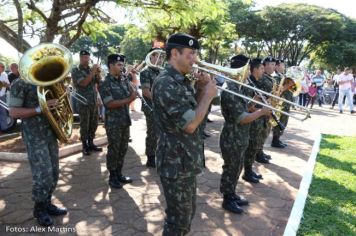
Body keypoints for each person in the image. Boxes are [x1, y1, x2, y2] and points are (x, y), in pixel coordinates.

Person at [152, 33, 217, 235]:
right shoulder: (166, 83)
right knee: (177, 221)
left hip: (184, 161)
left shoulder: (180, 80)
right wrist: (208, 96)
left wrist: (200, 89)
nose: (194, 59)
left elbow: (190, 113)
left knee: (186, 215)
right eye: (190, 54)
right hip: (175, 163)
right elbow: (190, 125)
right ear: (174, 53)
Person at [8, 74, 67, 227]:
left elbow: (58, 104)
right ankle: (39, 209)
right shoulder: (19, 84)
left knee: (54, 173)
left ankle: (47, 203)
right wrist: (41, 108)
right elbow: (13, 112)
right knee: (43, 174)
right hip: (34, 135)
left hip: (50, 132)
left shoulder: (48, 80)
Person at [220, 56, 271, 214]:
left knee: (237, 167)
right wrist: (261, 111)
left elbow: (244, 110)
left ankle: (232, 194)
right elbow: (242, 118)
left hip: (241, 136)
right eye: (247, 68)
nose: (248, 72)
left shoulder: (239, 87)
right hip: (232, 137)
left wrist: (252, 104)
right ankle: (227, 199)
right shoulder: (230, 88)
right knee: (231, 168)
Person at [98, 54, 137, 189]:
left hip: (125, 120)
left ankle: (119, 173)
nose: (122, 67)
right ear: (111, 66)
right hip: (114, 122)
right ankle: (112, 176)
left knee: (123, 148)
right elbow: (109, 103)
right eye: (119, 65)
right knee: (114, 149)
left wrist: (132, 88)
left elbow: (131, 93)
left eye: (122, 65)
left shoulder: (123, 80)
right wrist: (129, 99)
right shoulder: (104, 83)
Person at [243, 58, 270, 183]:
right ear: (254, 69)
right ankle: (247, 171)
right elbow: (246, 107)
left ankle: (249, 170)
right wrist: (261, 111)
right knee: (251, 146)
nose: (263, 71)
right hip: (253, 120)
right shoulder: (249, 84)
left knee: (255, 146)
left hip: (259, 118)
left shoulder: (256, 83)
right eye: (261, 68)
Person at [71, 50, 103, 155]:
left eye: (88, 57)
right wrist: (93, 72)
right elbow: (83, 83)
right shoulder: (76, 70)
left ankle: (91, 143)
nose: (87, 59)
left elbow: (99, 82)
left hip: (93, 101)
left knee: (94, 123)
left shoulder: (90, 69)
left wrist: (98, 73)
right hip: (83, 102)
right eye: (84, 57)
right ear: (80, 58)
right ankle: (84, 146)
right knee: (85, 124)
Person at [140, 47, 163, 168]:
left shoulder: (160, 72)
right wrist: (160, 102)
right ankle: (150, 157)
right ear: (151, 57)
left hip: (161, 107)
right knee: (153, 132)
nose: (160, 59)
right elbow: (145, 92)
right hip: (151, 107)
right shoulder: (146, 72)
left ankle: (158, 154)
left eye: (162, 56)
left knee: (160, 132)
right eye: (158, 56)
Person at [254, 56, 276, 164]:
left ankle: (260, 151)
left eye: (274, 64)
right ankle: (257, 153)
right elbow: (259, 94)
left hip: (266, 107)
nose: (274, 66)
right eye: (271, 64)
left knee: (265, 131)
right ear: (265, 65)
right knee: (260, 133)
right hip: (260, 108)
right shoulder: (262, 78)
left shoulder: (271, 78)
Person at [271, 77, 295, 148]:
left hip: (286, 106)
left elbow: (295, 90)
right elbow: (278, 91)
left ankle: (277, 139)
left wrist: (293, 85)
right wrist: (287, 85)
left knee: (284, 123)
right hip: (281, 106)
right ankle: (274, 141)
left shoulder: (291, 81)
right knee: (278, 124)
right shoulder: (280, 79)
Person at [0, 62, 10, 132]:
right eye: (1, 66)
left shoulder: (4, 74)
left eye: (3, 66)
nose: (3, 68)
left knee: (3, 112)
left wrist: (4, 84)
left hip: (2, 96)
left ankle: (4, 128)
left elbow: (8, 85)